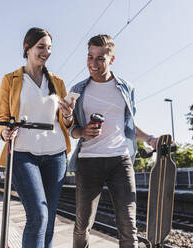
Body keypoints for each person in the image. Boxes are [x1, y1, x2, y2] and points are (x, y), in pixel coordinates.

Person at [69, 34, 158, 248]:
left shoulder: (126, 88)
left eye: (100, 58)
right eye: (90, 57)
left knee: (128, 226)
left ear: (112, 59)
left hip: (120, 161)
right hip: (89, 161)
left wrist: (150, 138)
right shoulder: (78, 90)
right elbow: (70, 130)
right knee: (83, 226)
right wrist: (82, 132)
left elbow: (128, 125)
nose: (93, 63)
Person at [0, 27, 75, 248]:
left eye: (49, 48)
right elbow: (3, 117)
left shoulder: (57, 82)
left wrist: (69, 115)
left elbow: (66, 123)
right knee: (38, 216)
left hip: (56, 155)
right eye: (41, 47)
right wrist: (4, 131)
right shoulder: (10, 79)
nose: (46, 52)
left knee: (49, 221)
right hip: (23, 154)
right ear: (27, 48)